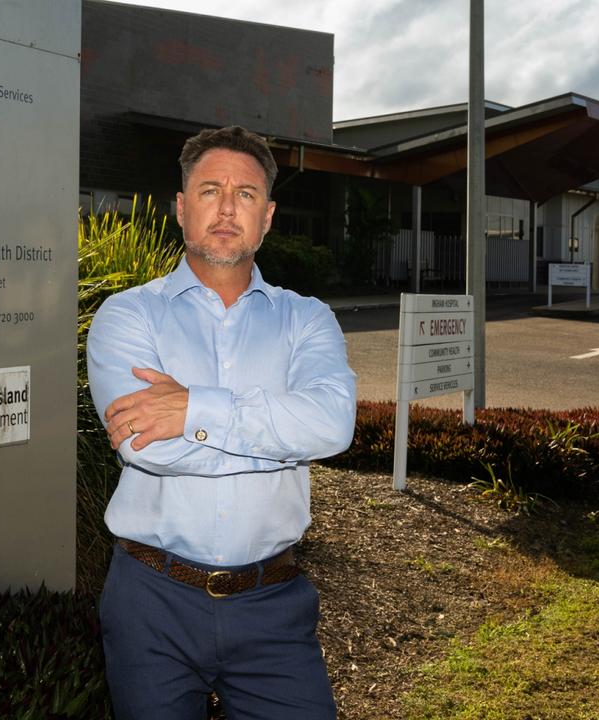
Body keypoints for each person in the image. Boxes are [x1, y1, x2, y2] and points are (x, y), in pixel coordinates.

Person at [86, 125, 356, 719]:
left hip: (274, 606)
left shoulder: (305, 320)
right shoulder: (129, 316)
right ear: (182, 209)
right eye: (210, 191)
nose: (228, 208)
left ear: (268, 216)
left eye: (247, 194)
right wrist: (280, 436)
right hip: (151, 602)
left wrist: (194, 410)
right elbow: (144, 446)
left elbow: (333, 425)